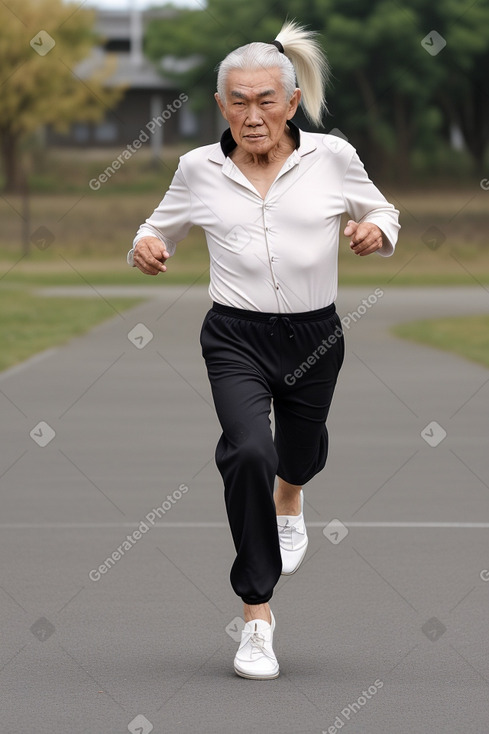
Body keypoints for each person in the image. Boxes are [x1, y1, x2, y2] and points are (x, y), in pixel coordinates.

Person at [127, 20, 400, 680]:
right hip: (234, 337)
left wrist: (374, 231)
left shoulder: (331, 156)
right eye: (238, 102)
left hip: (313, 335)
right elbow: (155, 229)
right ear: (221, 106)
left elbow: (383, 211)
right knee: (248, 450)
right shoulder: (198, 168)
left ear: (290, 99)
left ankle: (291, 495)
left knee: (297, 455)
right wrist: (145, 247)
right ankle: (255, 615)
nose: (252, 116)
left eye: (265, 100)